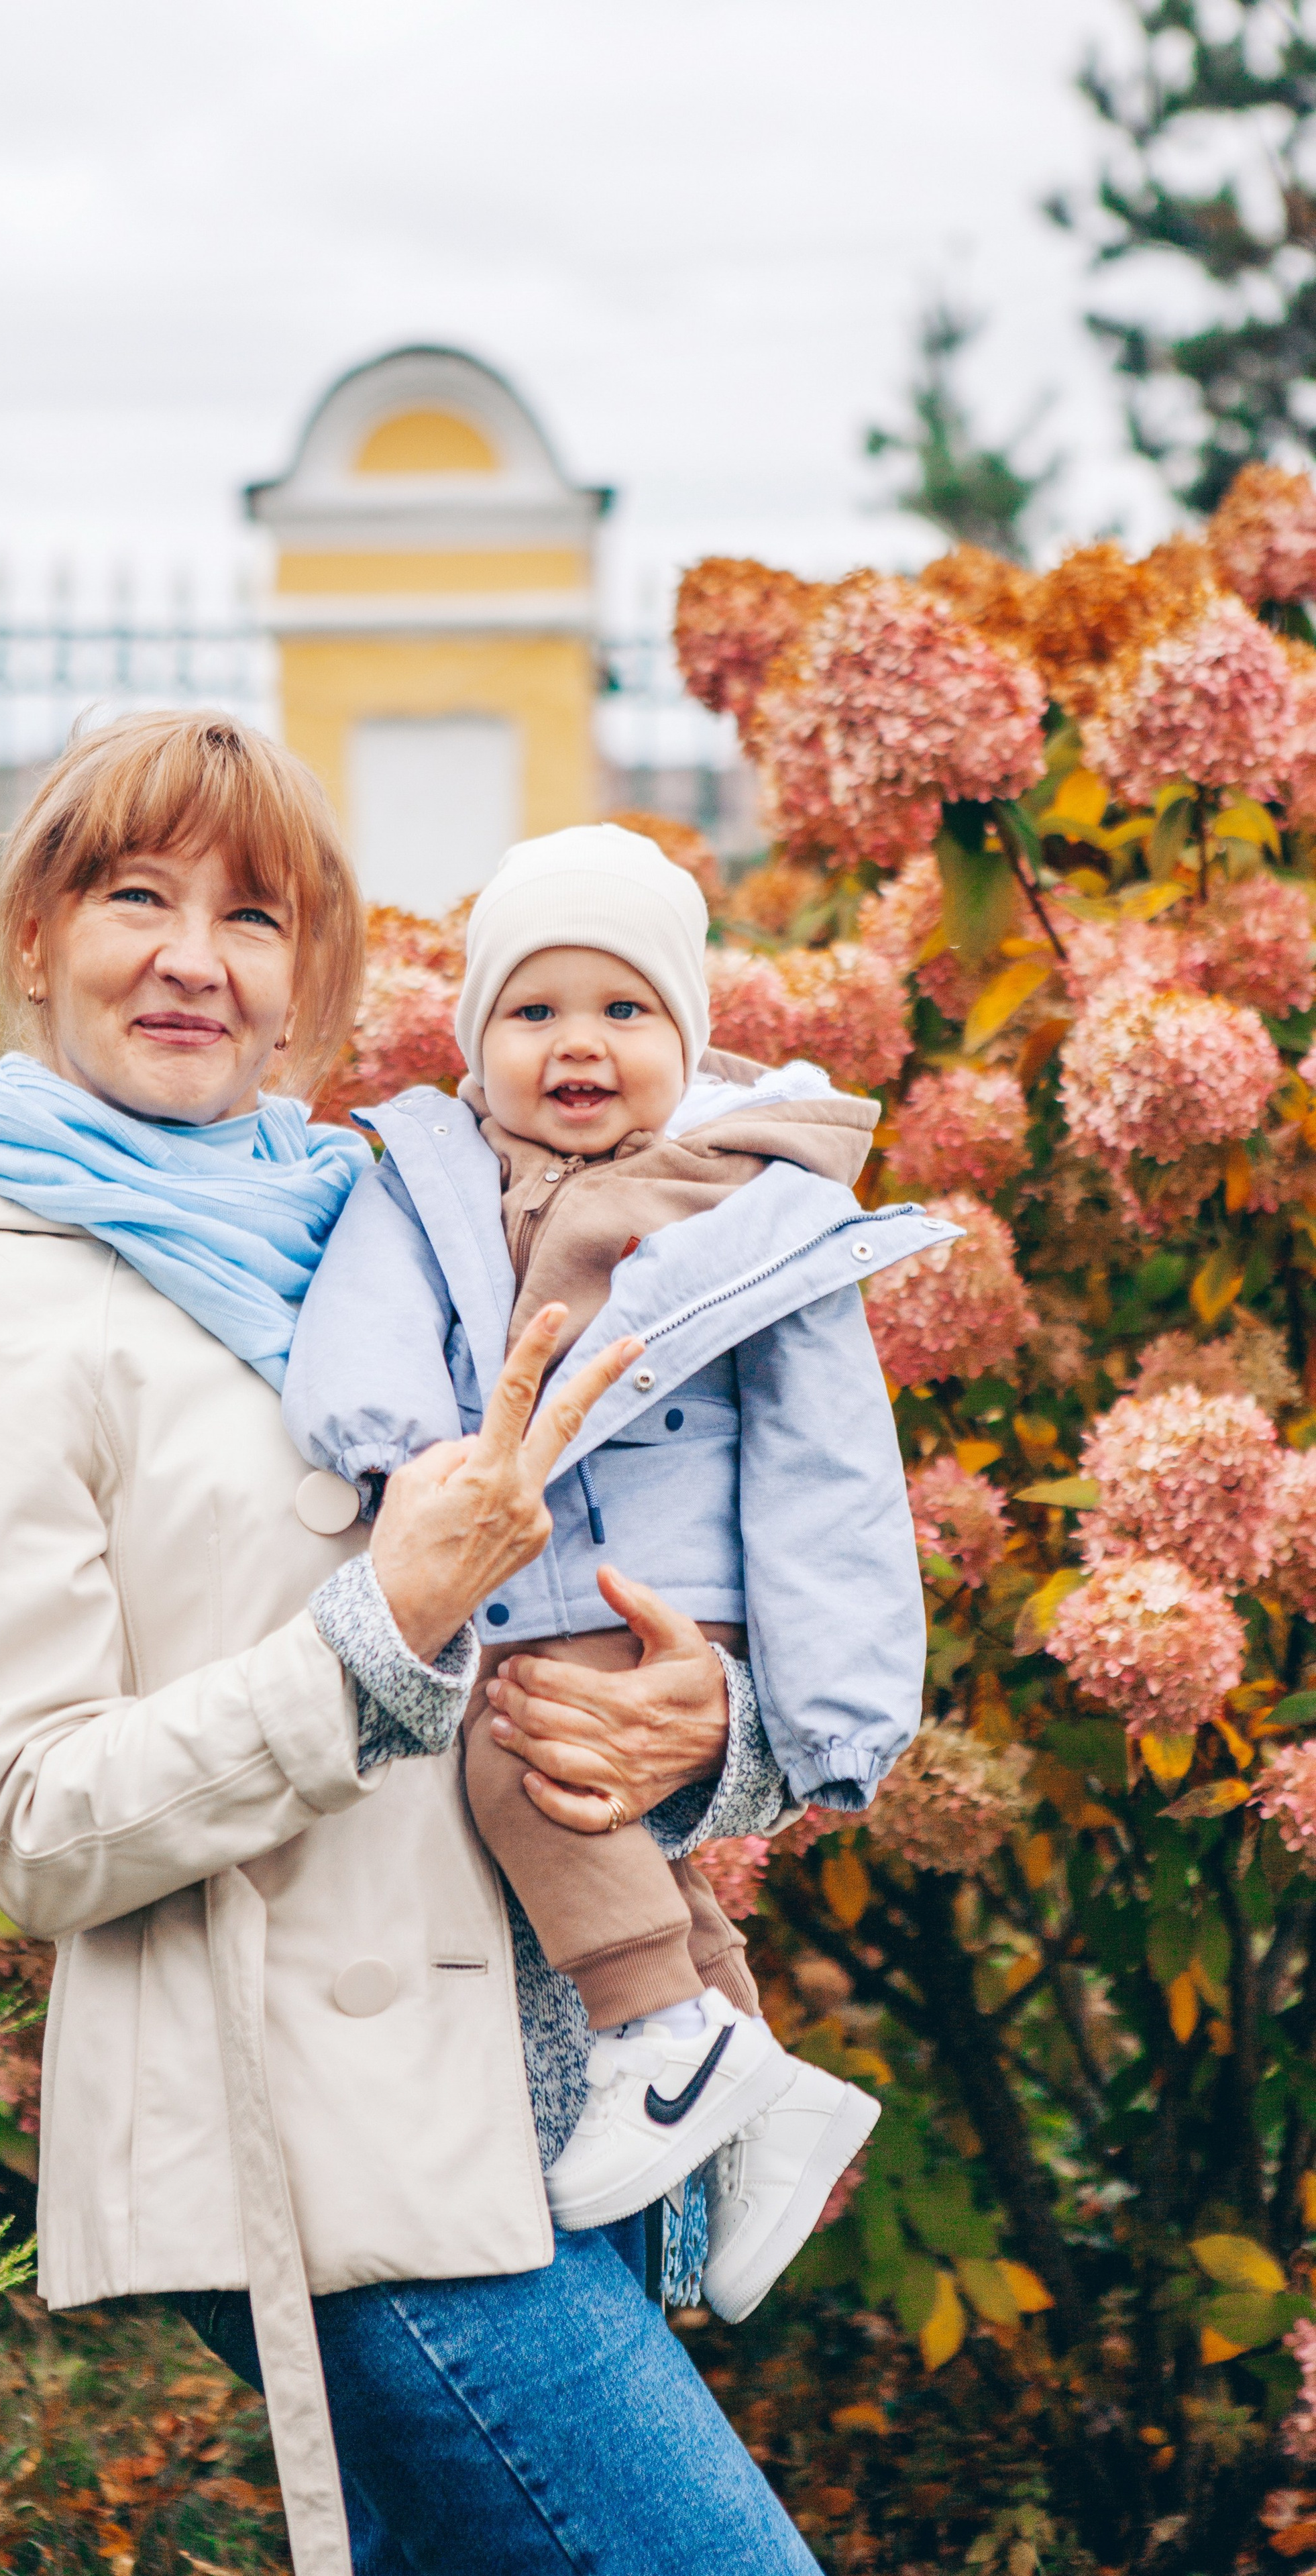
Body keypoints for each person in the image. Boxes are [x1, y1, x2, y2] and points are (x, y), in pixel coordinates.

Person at [0, 714, 828, 2575]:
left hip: (559, 2074)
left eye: (257, 915)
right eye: (137, 896)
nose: (196, 957)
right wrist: (387, 1625)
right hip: (340, 2149)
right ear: (34, 939)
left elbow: (591, 1580)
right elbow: (35, 1821)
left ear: (311, 980)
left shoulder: (377, 1218)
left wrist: (715, 1732)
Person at [286, 824, 950, 2323]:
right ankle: (747, 2077)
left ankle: (659, 2035)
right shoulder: (433, 1170)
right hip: (506, 1559)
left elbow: (828, 1470)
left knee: (523, 1766)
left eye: (620, 1011)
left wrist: (832, 1713)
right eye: (532, 1013)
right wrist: (395, 1451)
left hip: (659, 1602)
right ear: (475, 1046)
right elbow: (368, 1314)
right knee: (604, 1831)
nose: (575, 1046)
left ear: (685, 1036)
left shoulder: (752, 1202)